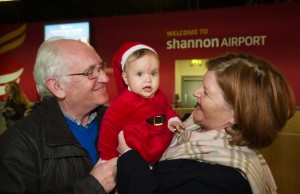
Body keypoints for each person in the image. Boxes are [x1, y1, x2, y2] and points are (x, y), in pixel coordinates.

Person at [116, 53, 296, 194]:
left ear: (237, 115)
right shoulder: (187, 123)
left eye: (207, 92)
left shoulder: (228, 181)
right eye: (201, 84)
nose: (195, 92)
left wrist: (127, 155)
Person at [0, 37, 118, 194]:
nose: (105, 78)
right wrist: (92, 187)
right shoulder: (18, 145)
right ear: (57, 86)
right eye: (91, 72)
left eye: (100, 67)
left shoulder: (118, 121)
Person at [98, 42, 184, 165]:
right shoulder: (121, 103)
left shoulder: (160, 95)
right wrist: (109, 160)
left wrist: (172, 120)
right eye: (139, 74)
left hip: (162, 149)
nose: (148, 79)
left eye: (153, 73)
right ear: (126, 78)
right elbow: (108, 132)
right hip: (136, 155)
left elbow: (167, 110)